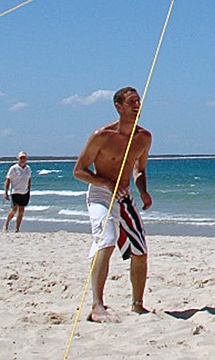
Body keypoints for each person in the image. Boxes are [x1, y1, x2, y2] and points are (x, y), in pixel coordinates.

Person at [72, 86, 153, 322]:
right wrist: (107, 183)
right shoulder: (102, 136)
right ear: (118, 106)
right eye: (131, 102)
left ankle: (137, 305)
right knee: (106, 241)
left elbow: (140, 169)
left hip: (125, 196)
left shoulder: (144, 137)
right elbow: (79, 171)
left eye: (138, 101)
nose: (137, 106)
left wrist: (144, 192)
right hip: (101, 194)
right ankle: (97, 305)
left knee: (140, 250)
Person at [3, 151, 33, 232]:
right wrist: (6, 192)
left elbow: (29, 179)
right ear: (18, 158)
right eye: (21, 158)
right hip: (15, 192)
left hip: (25, 192)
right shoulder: (13, 168)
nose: (22, 159)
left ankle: (17, 228)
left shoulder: (28, 168)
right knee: (14, 210)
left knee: (21, 211)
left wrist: (29, 188)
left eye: (24, 158)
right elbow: (8, 180)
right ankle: (6, 224)